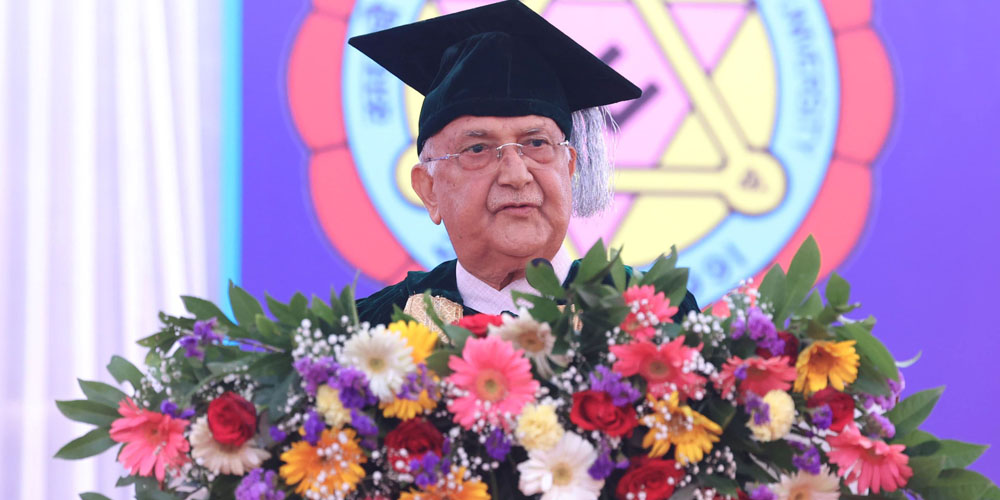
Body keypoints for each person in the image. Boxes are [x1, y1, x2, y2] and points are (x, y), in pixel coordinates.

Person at [349, 0, 697, 327]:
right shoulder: (372, 331)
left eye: (536, 143)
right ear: (429, 190)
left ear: (569, 169)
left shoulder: (654, 316)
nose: (516, 175)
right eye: (477, 149)